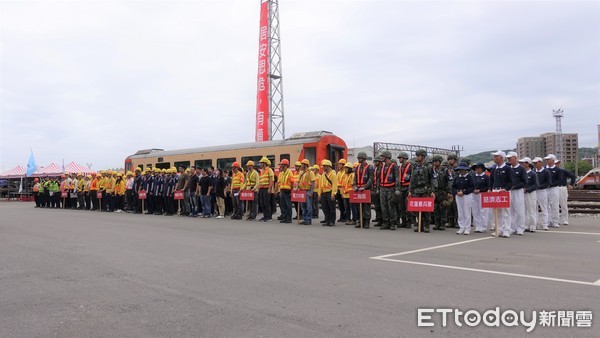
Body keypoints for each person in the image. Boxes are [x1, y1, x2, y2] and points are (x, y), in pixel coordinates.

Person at [409, 149, 434, 232]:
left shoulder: (429, 166)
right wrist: (410, 191)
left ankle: (427, 225)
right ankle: (420, 224)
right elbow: (412, 179)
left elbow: (432, 180)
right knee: (416, 208)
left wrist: (432, 191)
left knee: (425, 209)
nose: (417, 157)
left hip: (425, 190)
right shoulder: (415, 166)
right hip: (416, 190)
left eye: (418, 156)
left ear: (423, 156)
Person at [489, 150, 513, 238]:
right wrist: (490, 189)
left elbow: (511, 181)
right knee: (497, 211)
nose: (494, 158)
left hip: (504, 192)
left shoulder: (507, 168)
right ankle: (498, 230)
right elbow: (491, 180)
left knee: (506, 211)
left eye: (496, 156)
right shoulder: (494, 169)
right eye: (494, 156)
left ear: (502, 158)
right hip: (495, 191)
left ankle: (507, 230)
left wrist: (506, 189)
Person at [377, 150, 399, 230]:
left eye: (383, 156)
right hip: (383, 189)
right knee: (384, 207)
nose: (381, 158)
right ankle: (386, 222)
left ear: (387, 157)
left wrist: (397, 189)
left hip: (391, 189)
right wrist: (378, 188)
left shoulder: (394, 166)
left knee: (391, 206)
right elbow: (379, 179)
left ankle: (393, 223)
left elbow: (397, 178)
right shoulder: (381, 166)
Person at [507, 151, 527, 235]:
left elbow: (525, 182)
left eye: (510, 157)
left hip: (518, 191)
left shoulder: (521, 168)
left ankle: (520, 227)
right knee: (511, 210)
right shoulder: (508, 168)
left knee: (519, 210)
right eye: (508, 158)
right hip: (509, 191)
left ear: (515, 158)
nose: (509, 159)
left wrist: (515, 186)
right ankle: (512, 227)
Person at [353, 152, 374, 229]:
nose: (358, 159)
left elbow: (371, 179)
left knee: (366, 207)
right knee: (359, 207)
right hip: (358, 190)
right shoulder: (357, 168)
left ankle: (367, 222)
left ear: (364, 158)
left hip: (366, 190)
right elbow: (355, 178)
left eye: (360, 158)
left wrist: (364, 187)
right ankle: (360, 221)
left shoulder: (370, 167)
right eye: (358, 158)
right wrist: (354, 186)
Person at [452, 162, 475, 235]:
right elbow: (453, 187)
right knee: (460, 211)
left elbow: (472, 187)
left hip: (467, 195)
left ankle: (467, 228)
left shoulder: (469, 177)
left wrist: (464, 192)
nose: (461, 171)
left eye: (463, 169)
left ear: (466, 170)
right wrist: (456, 192)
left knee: (467, 211)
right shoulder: (457, 178)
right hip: (458, 196)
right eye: (460, 169)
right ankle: (461, 227)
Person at [431, 155, 452, 231]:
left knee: (442, 207)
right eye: (434, 161)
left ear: (440, 162)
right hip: (435, 192)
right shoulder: (432, 170)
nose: (435, 163)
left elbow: (450, 180)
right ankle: (437, 223)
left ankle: (443, 223)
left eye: (436, 161)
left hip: (443, 191)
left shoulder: (446, 170)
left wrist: (449, 191)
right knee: (436, 208)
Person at [520, 157, 538, 232]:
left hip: (530, 194)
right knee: (524, 210)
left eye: (523, 163)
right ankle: (526, 225)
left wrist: (527, 189)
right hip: (522, 193)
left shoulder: (533, 173)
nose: (521, 164)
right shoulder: (522, 173)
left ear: (528, 164)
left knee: (531, 210)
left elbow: (536, 185)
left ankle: (533, 226)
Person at [317, 160, 337, 226]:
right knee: (325, 208)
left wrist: (333, 194)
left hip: (330, 192)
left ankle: (332, 221)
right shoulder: (323, 174)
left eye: (325, 166)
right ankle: (327, 220)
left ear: (329, 166)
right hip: (324, 193)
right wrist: (319, 194)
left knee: (331, 208)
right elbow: (320, 185)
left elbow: (334, 185)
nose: (323, 167)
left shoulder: (333, 174)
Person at [556, 160, 576, 225]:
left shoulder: (563, 171)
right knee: (553, 205)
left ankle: (565, 219)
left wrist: (571, 184)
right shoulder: (549, 171)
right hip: (553, 188)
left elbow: (573, 176)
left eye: (557, 163)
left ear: (559, 164)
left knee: (563, 204)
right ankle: (555, 220)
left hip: (562, 188)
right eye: (555, 163)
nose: (556, 164)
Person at [471, 162, 490, 233]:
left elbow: (488, 187)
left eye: (478, 167)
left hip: (482, 194)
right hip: (474, 194)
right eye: (476, 168)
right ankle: (478, 226)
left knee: (483, 211)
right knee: (475, 211)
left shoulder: (486, 177)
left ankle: (483, 226)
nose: (477, 169)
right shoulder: (473, 177)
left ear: (482, 168)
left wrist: (480, 190)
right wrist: (473, 190)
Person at [296, 159, 316, 225]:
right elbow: (298, 181)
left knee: (309, 206)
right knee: (303, 207)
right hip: (301, 191)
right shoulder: (301, 173)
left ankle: (308, 219)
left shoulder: (311, 172)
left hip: (307, 191)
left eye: (302, 164)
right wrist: (297, 188)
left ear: (305, 165)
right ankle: (305, 219)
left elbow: (313, 182)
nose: (301, 165)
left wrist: (311, 192)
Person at [396, 152, 413, 228]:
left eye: (400, 158)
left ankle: (409, 221)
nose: (399, 159)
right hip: (401, 188)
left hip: (408, 187)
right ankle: (403, 221)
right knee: (401, 206)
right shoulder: (399, 167)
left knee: (408, 205)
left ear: (405, 158)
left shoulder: (411, 166)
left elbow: (412, 179)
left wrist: (410, 190)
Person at [533, 157, 550, 230]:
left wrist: (539, 186)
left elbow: (548, 183)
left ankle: (545, 224)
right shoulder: (533, 171)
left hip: (542, 191)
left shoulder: (546, 172)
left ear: (540, 162)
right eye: (534, 163)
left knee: (544, 208)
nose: (535, 164)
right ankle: (535, 223)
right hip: (534, 191)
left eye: (536, 163)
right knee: (534, 208)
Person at [544, 154, 561, 228]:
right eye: (546, 160)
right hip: (545, 189)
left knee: (554, 206)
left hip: (554, 189)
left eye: (548, 159)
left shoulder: (557, 169)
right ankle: (548, 221)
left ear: (553, 160)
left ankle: (555, 221)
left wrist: (551, 184)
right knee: (546, 206)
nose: (547, 161)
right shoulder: (544, 169)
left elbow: (559, 180)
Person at [258, 157, 275, 222]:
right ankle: (265, 216)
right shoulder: (262, 171)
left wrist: (269, 188)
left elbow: (271, 180)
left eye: (262, 163)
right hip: (262, 189)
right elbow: (261, 180)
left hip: (266, 188)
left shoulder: (269, 170)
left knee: (267, 203)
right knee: (262, 203)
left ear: (265, 163)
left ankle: (269, 217)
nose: (261, 164)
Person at [277, 159, 293, 223]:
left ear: (286, 165)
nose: (281, 166)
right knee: (283, 205)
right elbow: (279, 183)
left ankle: (289, 218)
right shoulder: (281, 173)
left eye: (282, 165)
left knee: (288, 205)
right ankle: (285, 217)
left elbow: (292, 183)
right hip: (282, 191)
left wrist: (291, 191)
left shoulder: (289, 173)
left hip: (287, 191)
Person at [372, 158, 383, 226]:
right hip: (376, 188)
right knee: (377, 206)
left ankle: (384, 220)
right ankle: (379, 219)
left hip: (382, 189)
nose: (375, 163)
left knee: (382, 206)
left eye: (376, 161)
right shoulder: (376, 169)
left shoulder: (383, 168)